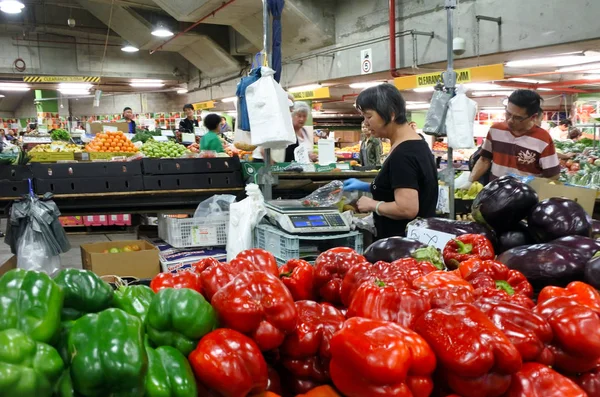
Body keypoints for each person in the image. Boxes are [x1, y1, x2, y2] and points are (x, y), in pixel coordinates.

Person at [343, 84, 439, 239]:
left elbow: (407, 209)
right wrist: (370, 186)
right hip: (415, 240)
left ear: (391, 114)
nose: (366, 123)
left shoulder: (404, 154)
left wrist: (373, 205)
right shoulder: (415, 142)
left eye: (369, 116)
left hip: (402, 246)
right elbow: (406, 184)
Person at [470, 90, 560, 183]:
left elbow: (553, 175)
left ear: (533, 117)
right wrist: (470, 181)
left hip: (525, 196)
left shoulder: (543, 139)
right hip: (495, 193)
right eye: (508, 114)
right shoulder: (495, 130)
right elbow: (484, 160)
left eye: (518, 118)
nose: (510, 120)